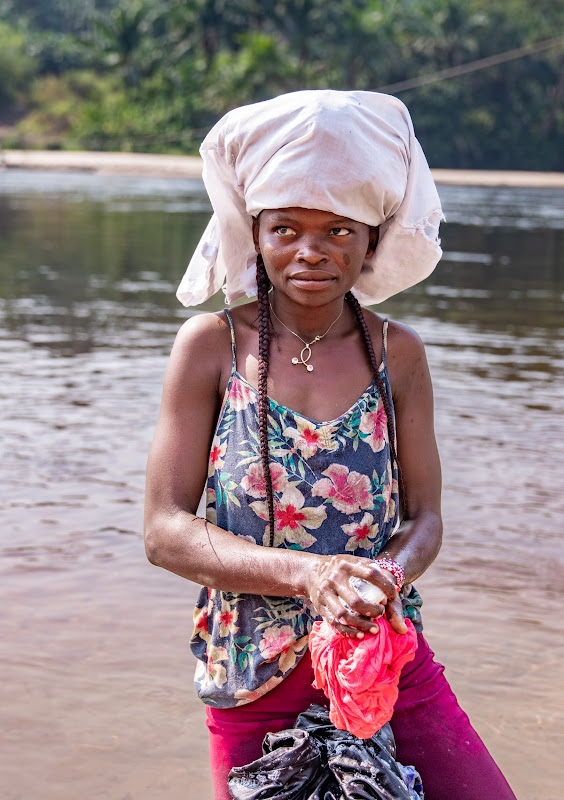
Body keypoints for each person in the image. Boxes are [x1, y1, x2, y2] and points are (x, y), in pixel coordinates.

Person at [144, 90, 517, 800]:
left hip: (381, 657)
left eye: (339, 230)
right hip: (251, 668)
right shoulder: (211, 347)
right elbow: (164, 532)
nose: (311, 252)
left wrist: (386, 578)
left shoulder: (396, 353)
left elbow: (426, 519)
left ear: (373, 240)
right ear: (255, 233)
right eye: (285, 228)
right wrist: (309, 577)